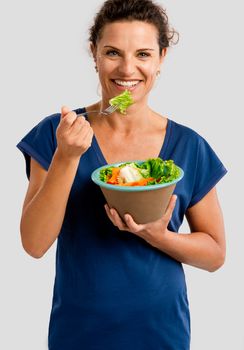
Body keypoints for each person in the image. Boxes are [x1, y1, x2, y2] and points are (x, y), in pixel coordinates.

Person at [17, 0, 227, 349]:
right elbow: (34, 244)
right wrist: (67, 157)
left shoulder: (190, 145)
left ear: (161, 59)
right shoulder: (57, 133)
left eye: (143, 54)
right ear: (94, 54)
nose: (128, 69)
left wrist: (158, 236)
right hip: (78, 333)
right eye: (113, 52)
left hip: (162, 334)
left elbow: (215, 254)